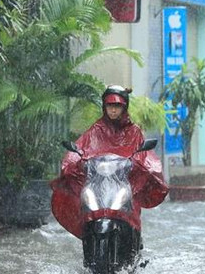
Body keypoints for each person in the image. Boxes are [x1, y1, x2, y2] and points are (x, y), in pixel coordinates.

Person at [52, 85, 168, 239]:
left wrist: (135, 165)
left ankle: (134, 242)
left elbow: (143, 156)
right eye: (109, 106)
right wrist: (76, 161)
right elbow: (81, 149)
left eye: (117, 106)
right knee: (86, 206)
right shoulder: (95, 130)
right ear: (104, 107)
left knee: (131, 210)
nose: (113, 110)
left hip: (123, 184)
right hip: (98, 185)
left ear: (124, 107)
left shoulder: (134, 132)